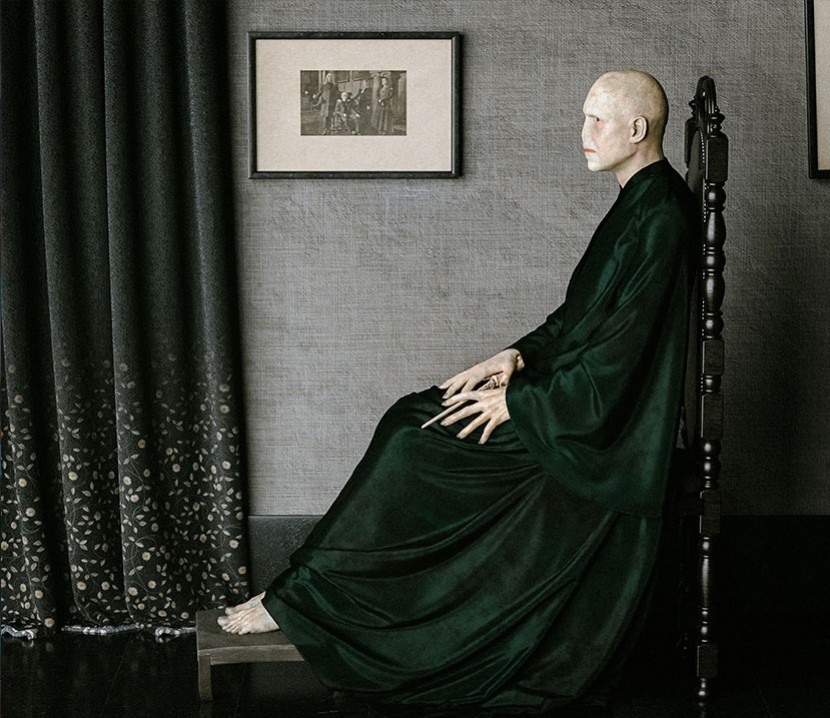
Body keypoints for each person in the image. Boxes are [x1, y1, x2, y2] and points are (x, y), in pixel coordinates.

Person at [219, 70, 698, 715]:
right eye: (583, 117)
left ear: (636, 129)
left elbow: (625, 354)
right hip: (562, 395)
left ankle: (304, 602)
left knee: (409, 444)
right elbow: (581, 319)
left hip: (595, 428)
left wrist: (521, 402)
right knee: (408, 420)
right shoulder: (639, 201)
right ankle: (305, 594)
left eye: (596, 120)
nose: (582, 133)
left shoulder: (661, 214)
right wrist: (515, 356)